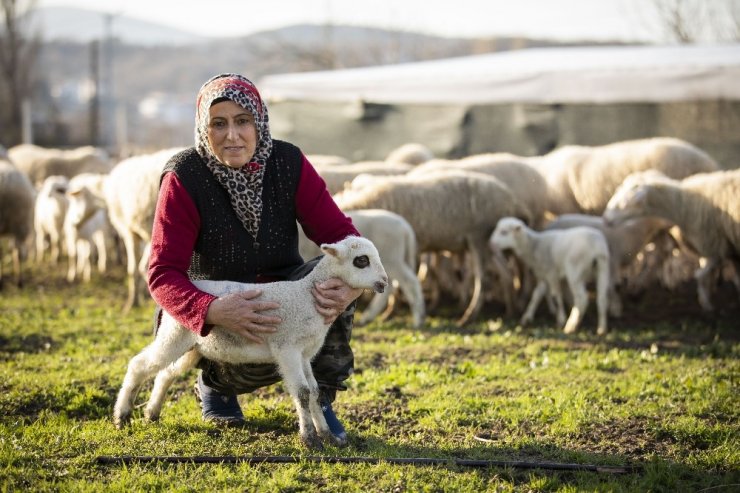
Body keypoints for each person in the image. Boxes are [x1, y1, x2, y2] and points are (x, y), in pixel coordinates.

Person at [147, 73, 363, 445]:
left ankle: (319, 399)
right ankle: (215, 383)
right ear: (203, 128)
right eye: (219, 124)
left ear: (259, 121)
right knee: (215, 348)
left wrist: (349, 292)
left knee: (333, 275)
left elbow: (344, 239)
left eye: (242, 121)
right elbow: (162, 273)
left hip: (281, 305)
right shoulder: (185, 176)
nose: (232, 135)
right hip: (217, 315)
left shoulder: (287, 162)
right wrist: (210, 310)